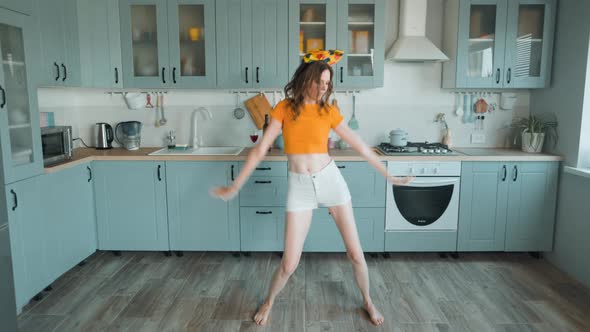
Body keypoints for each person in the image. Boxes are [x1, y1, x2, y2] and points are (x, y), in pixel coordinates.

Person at [211, 49, 413, 326]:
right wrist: (235, 186)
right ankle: (269, 301)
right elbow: (260, 151)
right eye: (319, 82)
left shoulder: (329, 111)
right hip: (300, 187)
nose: (323, 88)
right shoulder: (283, 108)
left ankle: (367, 300)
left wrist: (389, 176)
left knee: (355, 253)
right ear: (305, 78)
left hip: (330, 181)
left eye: (327, 83)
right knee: (289, 263)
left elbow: (360, 146)